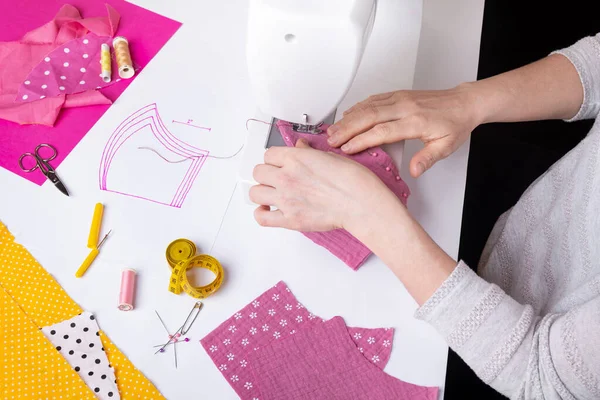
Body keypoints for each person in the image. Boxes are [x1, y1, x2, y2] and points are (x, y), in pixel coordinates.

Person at [249, 32, 600, 399]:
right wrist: (468, 101)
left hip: (500, 362)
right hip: (520, 229)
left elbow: (541, 377)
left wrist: (368, 214)